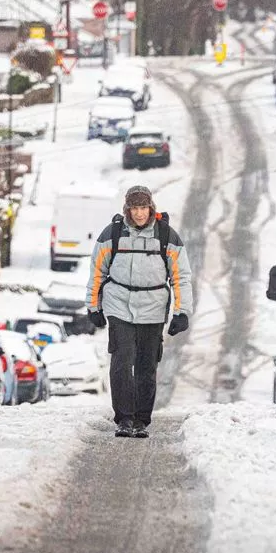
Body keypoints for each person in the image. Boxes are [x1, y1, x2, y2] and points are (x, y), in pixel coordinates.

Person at [86, 185, 193, 438]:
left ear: (150, 208)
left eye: (143, 207)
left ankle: (141, 420)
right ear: (127, 210)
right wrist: (93, 306)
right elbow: (97, 272)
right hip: (119, 305)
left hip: (153, 308)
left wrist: (182, 311)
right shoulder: (112, 234)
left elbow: (181, 277)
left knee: (146, 365)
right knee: (122, 363)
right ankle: (123, 418)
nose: (140, 213)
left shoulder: (166, 235)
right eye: (135, 208)